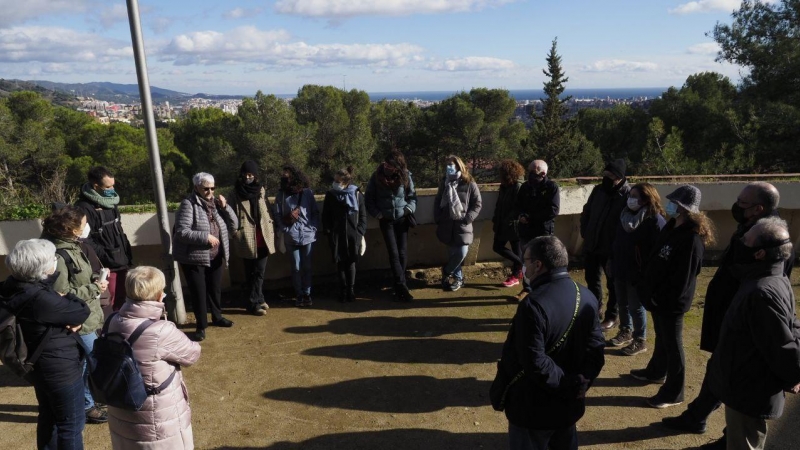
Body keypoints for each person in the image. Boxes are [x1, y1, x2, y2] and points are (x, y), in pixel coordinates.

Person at [661, 182, 793, 446]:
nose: (736, 206)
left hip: (743, 322)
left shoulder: (770, 236)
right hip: (732, 317)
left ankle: (719, 432)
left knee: (733, 379)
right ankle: (701, 420)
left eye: (742, 203)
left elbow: (777, 323)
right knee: (719, 371)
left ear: (758, 208)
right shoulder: (752, 227)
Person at [497, 236, 605, 450]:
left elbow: (534, 361)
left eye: (525, 260)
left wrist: (568, 384)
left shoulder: (533, 305)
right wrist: (581, 382)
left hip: (534, 408)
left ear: (538, 265)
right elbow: (596, 350)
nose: (523, 266)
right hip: (569, 405)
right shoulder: (587, 296)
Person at [705, 217, 800, 450]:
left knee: (744, 443)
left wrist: (794, 374)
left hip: (749, 388)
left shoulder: (761, 292)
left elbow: (781, 344)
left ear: (759, 254)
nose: (740, 242)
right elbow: (793, 324)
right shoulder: (772, 278)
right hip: (745, 382)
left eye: (745, 240)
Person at [630, 185, 715, 409]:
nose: (669, 205)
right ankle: (657, 371)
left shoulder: (691, 239)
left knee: (673, 345)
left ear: (684, 208)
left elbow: (682, 279)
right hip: (657, 298)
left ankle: (673, 392)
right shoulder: (671, 226)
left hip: (670, 303)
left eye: (674, 202)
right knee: (662, 337)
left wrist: (662, 298)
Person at [1, 239, 90, 449]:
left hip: (35, 364)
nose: (55, 261)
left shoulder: (10, 288)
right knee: (71, 424)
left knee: (49, 416)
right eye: (53, 258)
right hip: (60, 368)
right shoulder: (41, 299)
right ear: (41, 268)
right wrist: (65, 295)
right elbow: (81, 310)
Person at [106, 266, 202, 449]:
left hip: (121, 414)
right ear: (159, 294)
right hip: (158, 422)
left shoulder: (112, 321)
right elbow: (193, 354)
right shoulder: (160, 331)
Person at [42, 206, 110, 425]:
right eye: (83, 224)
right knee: (91, 362)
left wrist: (95, 283)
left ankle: (86, 404)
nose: (86, 227)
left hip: (86, 317)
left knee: (83, 363)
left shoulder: (72, 246)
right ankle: (86, 406)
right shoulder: (60, 255)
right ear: (72, 230)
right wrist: (94, 288)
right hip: (79, 321)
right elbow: (61, 295)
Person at [173, 172, 238, 342]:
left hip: (215, 255)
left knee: (215, 288)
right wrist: (205, 237)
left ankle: (217, 317)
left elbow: (234, 225)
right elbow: (181, 232)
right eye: (206, 189)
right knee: (199, 293)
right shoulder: (188, 204)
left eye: (212, 188)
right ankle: (201, 325)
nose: (210, 192)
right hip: (194, 257)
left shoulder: (215, 204)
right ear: (196, 188)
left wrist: (226, 207)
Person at [606, 183, 666, 356]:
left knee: (636, 306)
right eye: (630, 195)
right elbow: (616, 239)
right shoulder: (624, 214)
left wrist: (646, 271)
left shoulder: (654, 220)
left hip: (638, 272)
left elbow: (658, 250)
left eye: (635, 196)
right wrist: (611, 259)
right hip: (620, 267)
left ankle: (640, 339)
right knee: (622, 303)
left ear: (646, 199)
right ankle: (626, 330)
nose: (630, 199)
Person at [579, 159, 630, 330]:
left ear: (620, 178)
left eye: (611, 176)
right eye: (605, 175)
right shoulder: (598, 190)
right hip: (592, 244)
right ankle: (595, 309)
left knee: (613, 284)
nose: (606, 179)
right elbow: (587, 211)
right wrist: (585, 232)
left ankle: (612, 316)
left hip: (612, 249)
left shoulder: (628, 196)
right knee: (592, 280)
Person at [76, 166, 133, 313]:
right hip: (107, 267)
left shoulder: (111, 202)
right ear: (96, 186)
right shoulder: (83, 208)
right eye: (108, 186)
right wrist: (105, 257)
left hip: (122, 261)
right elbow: (85, 239)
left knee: (123, 300)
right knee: (110, 303)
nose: (112, 189)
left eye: (113, 185)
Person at [365, 150, 418, 302]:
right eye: (386, 164)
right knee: (393, 253)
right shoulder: (376, 177)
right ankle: (402, 287)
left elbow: (413, 196)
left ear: (398, 166)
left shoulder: (406, 176)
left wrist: (408, 209)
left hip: (402, 219)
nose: (387, 167)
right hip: (386, 220)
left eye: (391, 165)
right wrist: (378, 214)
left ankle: (399, 285)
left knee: (402, 253)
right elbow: (369, 198)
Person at [229, 160, 276, 316]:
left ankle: (259, 298)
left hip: (263, 236)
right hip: (247, 237)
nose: (248, 177)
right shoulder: (235, 193)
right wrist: (235, 232)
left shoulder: (261, 190)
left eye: (251, 174)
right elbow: (229, 214)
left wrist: (272, 226)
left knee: (260, 271)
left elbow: (267, 210)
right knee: (250, 272)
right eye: (246, 174)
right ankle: (253, 304)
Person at [433, 155, 483, 292]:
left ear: (459, 165)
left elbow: (477, 204)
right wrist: (438, 217)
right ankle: (458, 279)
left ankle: (447, 271)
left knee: (462, 252)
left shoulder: (469, 183)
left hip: (462, 224)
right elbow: (438, 201)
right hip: (446, 224)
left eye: (452, 164)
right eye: (447, 164)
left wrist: (467, 218)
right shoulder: (444, 182)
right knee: (453, 254)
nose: (449, 167)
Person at [512, 160, 560, 301]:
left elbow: (553, 210)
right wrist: (521, 215)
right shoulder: (525, 187)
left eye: (534, 172)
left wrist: (531, 217)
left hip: (543, 232)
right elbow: (517, 205)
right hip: (525, 232)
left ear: (543, 173)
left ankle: (545, 291)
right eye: (529, 171)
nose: (531, 175)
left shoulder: (551, 187)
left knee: (544, 262)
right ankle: (526, 289)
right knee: (527, 262)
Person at [275, 164, 319, 307]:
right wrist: (285, 229)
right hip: (291, 236)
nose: (285, 177)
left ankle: (307, 293)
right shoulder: (281, 195)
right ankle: (299, 294)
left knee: (307, 266)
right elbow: (277, 215)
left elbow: (314, 212)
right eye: (284, 175)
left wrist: (312, 228)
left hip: (307, 236)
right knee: (295, 267)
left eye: (287, 174)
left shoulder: (307, 193)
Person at [322, 166, 367, 303]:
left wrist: (360, 232)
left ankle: (351, 290)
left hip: (353, 235)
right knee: (340, 263)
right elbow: (326, 216)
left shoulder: (357, 194)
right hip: (337, 235)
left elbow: (363, 216)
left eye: (338, 181)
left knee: (351, 262)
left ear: (346, 182)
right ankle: (342, 289)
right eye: (335, 180)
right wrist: (329, 232)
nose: (335, 183)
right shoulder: (330, 195)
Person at [492, 159, 525, 288]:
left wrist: (508, 220)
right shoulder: (504, 186)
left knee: (506, 248)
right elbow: (499, 204)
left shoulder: (518, 186)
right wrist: (496, 218)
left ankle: (517, 272)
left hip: (513, 225)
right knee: (499, 247)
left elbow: (518, 206)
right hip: (502, 223)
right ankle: (520, 268)